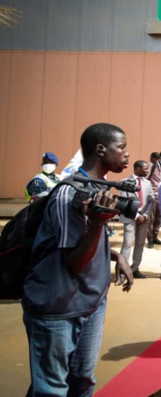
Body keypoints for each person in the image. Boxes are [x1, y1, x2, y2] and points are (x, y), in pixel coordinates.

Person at [22, 122, 133, 396]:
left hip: (91, 303)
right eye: (122, 147)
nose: (127, 154)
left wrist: (115, 255)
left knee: (83, 381)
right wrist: (97, 223)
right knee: (52, 389)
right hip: (57, 310)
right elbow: (73, 261)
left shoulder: (97, 188)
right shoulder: (67, 193)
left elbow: (85, 243)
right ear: (100, 149)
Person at [118, 160, 154, 279]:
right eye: (146, 168)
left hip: (144, 219)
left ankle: (135, 269)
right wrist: (137, 215)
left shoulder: (148, 183)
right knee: (127, 244)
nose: (148, 171)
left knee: (140, 244)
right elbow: (123, 202)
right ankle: (123, 271)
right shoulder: (124, 182)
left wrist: (145, 215)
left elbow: (151, 201)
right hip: (130, 217)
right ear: (138, 169)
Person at [146, 150, 161, 247]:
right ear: (159, 158)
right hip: (152, 195)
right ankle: (150, 239)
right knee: (150, 219)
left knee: (158, 219)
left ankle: (155, 237)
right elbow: (145, 178)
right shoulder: (152, 166)